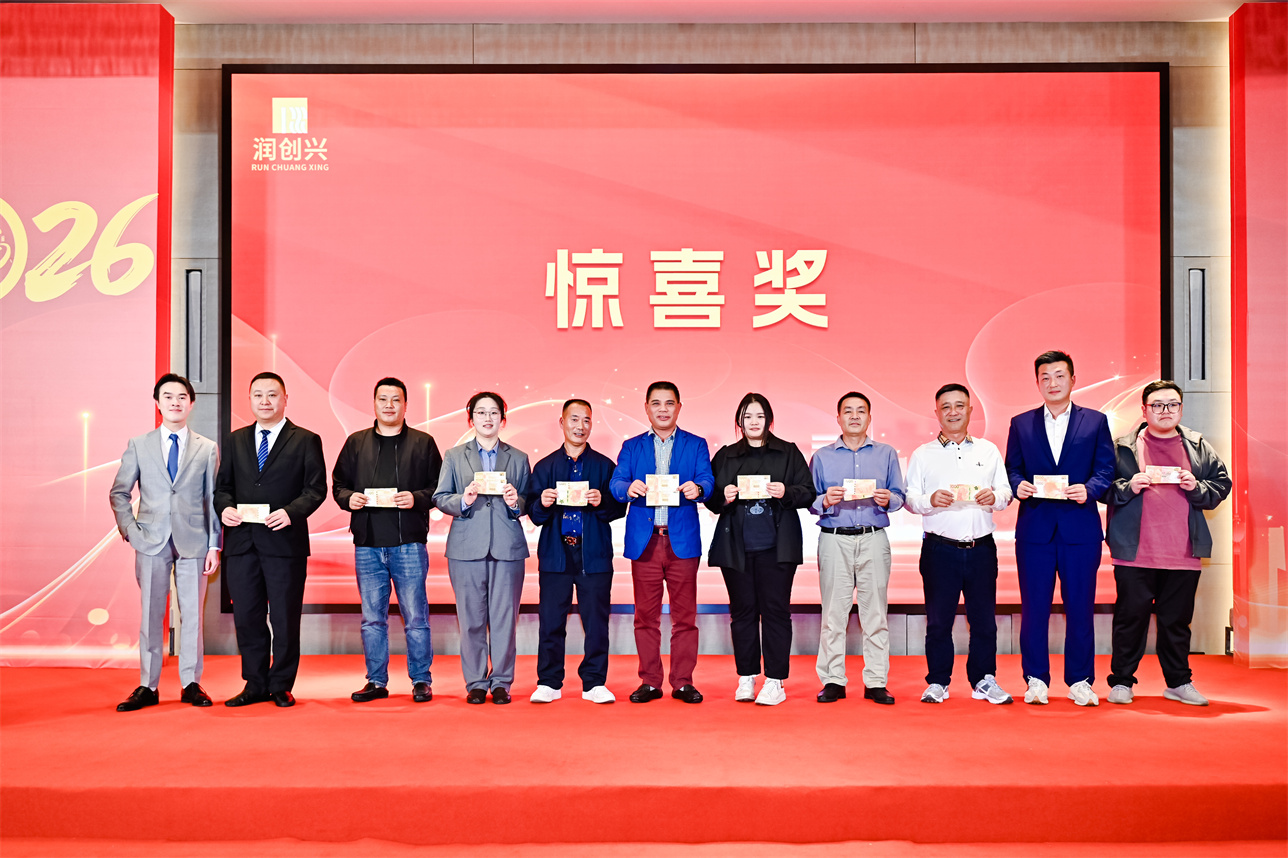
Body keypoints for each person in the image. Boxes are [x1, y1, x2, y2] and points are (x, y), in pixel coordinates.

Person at [1103, 381, 1231, 706]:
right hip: (1134, 552)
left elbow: (1221, 484)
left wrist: (1196, 486)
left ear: (1181, 409)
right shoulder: (1123, 447)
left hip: (1183, 552)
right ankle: (1121, 682)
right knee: (1129, 620)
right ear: (1144, 410)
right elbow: (1101, 488)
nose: (1165, 411)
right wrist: (1128, 486)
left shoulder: (1198, 445)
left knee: (1176, 623)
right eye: (1157, 405)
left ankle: (1178, 683)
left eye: (1172, 404)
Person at [1005, 350, 1115, 707]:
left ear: (1072, 380)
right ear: (1037, 382)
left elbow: (1106, 469)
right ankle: (1035, 679)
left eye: (1059, 376)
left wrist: (1090, 490)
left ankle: (1080, 681)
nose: (1052, 383)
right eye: (1045, 377)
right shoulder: (1021, 423)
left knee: (1080, 607)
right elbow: (1012, 469)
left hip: (1080, 530)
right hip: (1035, 530)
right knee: (1034, 608)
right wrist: (1018, 484)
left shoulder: (1095, 421)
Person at [214, 372, 327, 708]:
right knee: (247, 617)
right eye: (258, 395)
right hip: (242, 544)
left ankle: (281, 684)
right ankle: (254, 684)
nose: (265, 401)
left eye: (272, 395)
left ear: (285, 399)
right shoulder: (235, 440)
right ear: (249, 399)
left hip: (284, 543)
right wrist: (225, 508)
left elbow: (315, 489)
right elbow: (223, 488)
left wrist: (291, 513)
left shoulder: (305, 439)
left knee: (284, 617)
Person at [109, 374, 221, 711]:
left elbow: (212, 499)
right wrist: (131, 530)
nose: (175, 402)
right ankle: (148, 685)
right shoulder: (139, 444)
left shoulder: (207, 448)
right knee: (150, 615)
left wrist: (214, 545)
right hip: (150, 541)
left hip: (194, 542)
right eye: (168, 396)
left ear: (191, 403)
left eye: (182, 397)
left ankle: (191, 683)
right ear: (157, 403)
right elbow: (119, 492)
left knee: (192, 616)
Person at [331, 377, 443, 704]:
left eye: (396, 399)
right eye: (383, 399)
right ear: (374, 403)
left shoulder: (423, 443)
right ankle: (376, 680)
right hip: (367, 544)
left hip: (409, 543)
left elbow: (439, 487)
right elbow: (338, 485)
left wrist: (417, 498)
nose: (389, 405)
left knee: (416, 617)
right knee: (372, 619)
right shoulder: (356, 442)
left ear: (406, 405)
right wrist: (348, 498)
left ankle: (421, 679)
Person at [904, 383, 1014, 705]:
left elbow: (1006, 492)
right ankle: (938, 681)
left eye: (959, 406)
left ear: (970, 410)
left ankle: (983, 680)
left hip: (981, 549)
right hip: (939, 550)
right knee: (939, 622)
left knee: (984, 621)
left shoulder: (988, 450)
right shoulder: (923, 454)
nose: (953, 412)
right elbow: (910, 499)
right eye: (946, 407)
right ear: (937, 413)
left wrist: (995, 498)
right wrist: (929, 500)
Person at [704, 393, 813, 706]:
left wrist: (786, 491)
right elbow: (709, 497)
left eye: (760, 416)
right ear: (739, 421)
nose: (754, 422)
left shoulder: (788, 452)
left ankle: (776, 680)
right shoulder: (726, 455)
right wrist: (723, 496)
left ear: (769, 420)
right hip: (736, 548)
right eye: (748, 416)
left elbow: (808, 492)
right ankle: (747, 676)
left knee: (776, 612)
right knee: (742, 613)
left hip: (777, 549)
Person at [610, 381, 714, 704]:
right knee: (645, 617)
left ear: (679, 407)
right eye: (656, 403)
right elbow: (616, 483)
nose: (663, 409)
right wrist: (628, 488)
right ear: (646, 408)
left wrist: (699, 489)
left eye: (669, 403)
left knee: (685, 618)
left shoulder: (696, 444)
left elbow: (708, 480)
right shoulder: (631, 446)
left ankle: (682, 681)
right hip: (646, 542)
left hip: (681, 541)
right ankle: (650, 681)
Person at [433, 392, 530, 705]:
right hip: (465, 548)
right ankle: (475, 682)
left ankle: (501, 682)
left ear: (503, 419)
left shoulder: (518, 457)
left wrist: (516, 502)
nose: (487, 418)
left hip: (507, 548)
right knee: (471, 619)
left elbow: (528, 501)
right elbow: (440, 497)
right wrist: (463, 500)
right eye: (480, 412)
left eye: (493, 413)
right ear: (470, 418)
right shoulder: (453, 455)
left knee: (504, 620)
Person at [809, 391, 906, 705]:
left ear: (869, 417)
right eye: (848, 411)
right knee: (832, 614)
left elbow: (899, 495)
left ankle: (876, 681)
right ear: (838, 418)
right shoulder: (822, 456)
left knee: (875, 613)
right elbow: (809, 500)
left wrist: (888, 499)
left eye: (860, 411)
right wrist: (825, 500)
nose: (854, 416)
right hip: (834, 537)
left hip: (873, 537)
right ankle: (833, 680)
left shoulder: (886, 453)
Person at [527, 399, 626, 704]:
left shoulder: (605, 466)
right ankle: (549, 682)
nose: (580, 426)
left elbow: (618, 509)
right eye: (574, 419)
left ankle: (594, 683)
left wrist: (602, 501)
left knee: (596, 622)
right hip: (556, 554)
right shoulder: (545, 466)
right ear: (562, 422)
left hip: (593, 555)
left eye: (586, 420)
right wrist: (542, 502)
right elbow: (534, 515)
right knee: (551, 621)